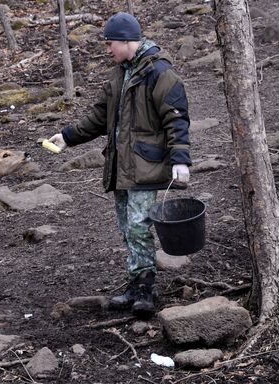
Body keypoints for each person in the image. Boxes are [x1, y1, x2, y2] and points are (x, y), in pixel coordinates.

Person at [48, 12, 191, 317]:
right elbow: (99, 117)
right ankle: (134, 283)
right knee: (128, 229)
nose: (108, 48)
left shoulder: (159, 72)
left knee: (139, 227)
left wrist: (181, 160)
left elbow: (176, 118)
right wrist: (68, 137)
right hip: (120, 167)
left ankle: (147, 290)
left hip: (146, 167)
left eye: (110, 42)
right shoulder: (120, 74)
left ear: (126, 40)